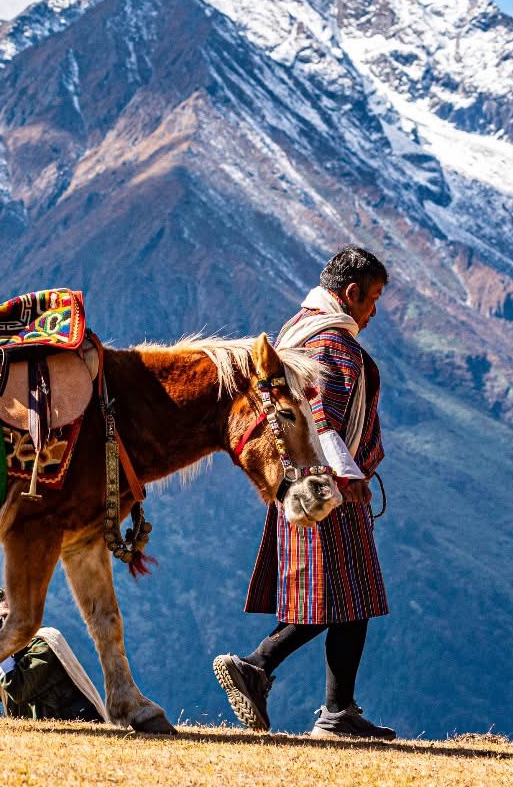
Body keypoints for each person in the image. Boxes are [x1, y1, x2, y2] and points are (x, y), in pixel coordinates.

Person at [213, 246, 397, 741]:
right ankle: (257, 666)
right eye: (373, 298)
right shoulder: (332, 344)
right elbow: (323, 417)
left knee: (349, 598)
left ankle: (339, 711)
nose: (374, 311)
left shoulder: (297, 328)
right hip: (326, 491)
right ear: (351, 293)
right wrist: (348, 477)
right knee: (342, 598)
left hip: (298, 487)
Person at [0, 587, 108, 723]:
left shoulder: (44, 645)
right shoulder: (11, 651)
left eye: (5, 616)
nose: (1, 624)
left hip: (77, 733)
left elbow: (18, 688)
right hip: (44, 737)